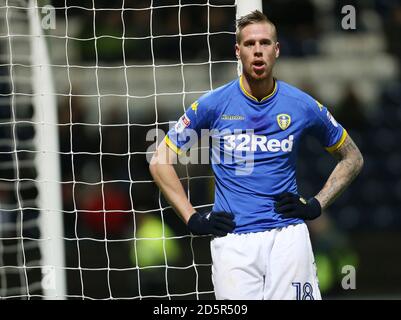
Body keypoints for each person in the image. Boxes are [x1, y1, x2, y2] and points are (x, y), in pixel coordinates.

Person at [149, 10, 364, 300]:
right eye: (250, 44)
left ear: (277, 50)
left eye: (265, 43)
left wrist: (316, 205)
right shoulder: (213, 104)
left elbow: (353, 158)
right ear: (238, 51)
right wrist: (192, 218)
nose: (258, 51)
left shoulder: (301, 105)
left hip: (287, 237)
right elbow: (159, 160)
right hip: (233, 242)